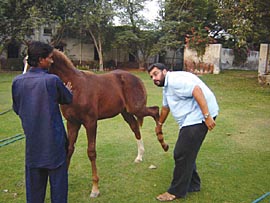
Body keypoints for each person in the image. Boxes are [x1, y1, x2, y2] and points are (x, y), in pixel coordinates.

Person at [12, 41, 73, 203]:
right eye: (49, 58)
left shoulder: (17, 82)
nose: (52, 61)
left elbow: (18, 109)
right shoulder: (52, 80)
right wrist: (67, 89)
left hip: (33, 145)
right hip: (54, 145)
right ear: (41, 60)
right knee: (58, 190)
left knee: (34, 192)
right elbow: (68, 98)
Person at [148, 63, 219, 201]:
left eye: (155, 74)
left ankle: (176, 191)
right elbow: (165, 107)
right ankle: (193, 184)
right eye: (151, 76)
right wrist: (159, 124)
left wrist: (207, 116)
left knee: (181, 153)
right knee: (187, 152)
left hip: (199, 117)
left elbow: (196, 90)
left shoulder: (174, 81)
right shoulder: (167, 86)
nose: (154, 79)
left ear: (164, 71)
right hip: (192, 118)